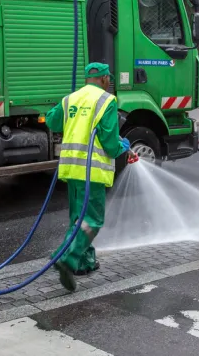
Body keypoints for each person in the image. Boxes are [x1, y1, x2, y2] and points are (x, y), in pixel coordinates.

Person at [45, 62, 132, 292]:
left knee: (78, 218)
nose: (109, 84)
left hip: (71, 170)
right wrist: (123, 146)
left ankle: (84, 262)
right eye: (109, 80)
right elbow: (110, 144)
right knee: (92, 220)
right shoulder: (107, 101)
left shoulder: (70, 99)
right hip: (91, 171)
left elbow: (52, 121)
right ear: (104, 79)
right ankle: (68, 257)